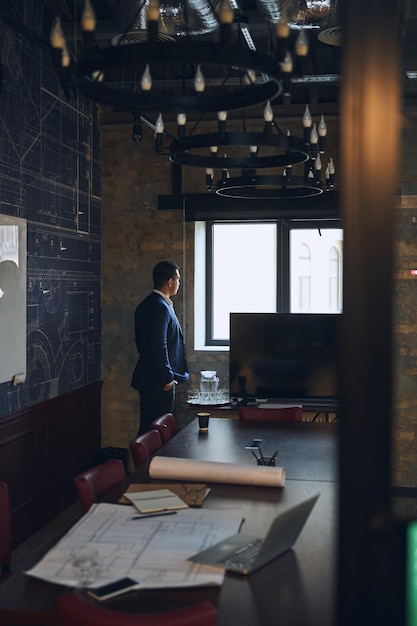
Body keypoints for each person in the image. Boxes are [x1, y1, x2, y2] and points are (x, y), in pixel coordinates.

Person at [131, 261, 189, 434]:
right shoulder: (159, 307)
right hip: (158, 381)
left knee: (151, 428)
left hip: (151, 378)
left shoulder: (148, 304)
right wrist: (167, 379)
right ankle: (152, 461)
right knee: (156, 430)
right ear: (169, 281)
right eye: (178, 279)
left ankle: (150, 461)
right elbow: (158, 345)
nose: (179, 283)